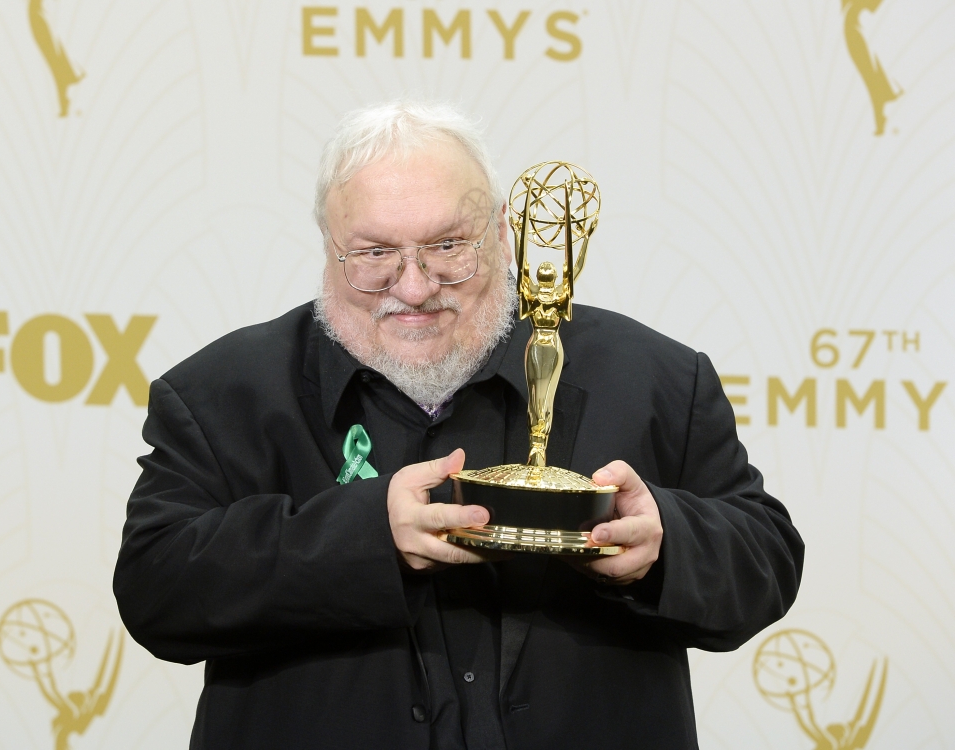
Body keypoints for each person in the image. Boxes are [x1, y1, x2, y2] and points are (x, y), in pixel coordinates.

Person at [113, 101, 804, 750]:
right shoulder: (219, 393)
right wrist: (363, 538)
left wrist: (666, 545)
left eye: (448, 245)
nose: (414, 287)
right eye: (375, 254)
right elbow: (155, 590)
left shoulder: (654, 378)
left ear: (502, 232)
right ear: (329, 247)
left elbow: (767, 560)